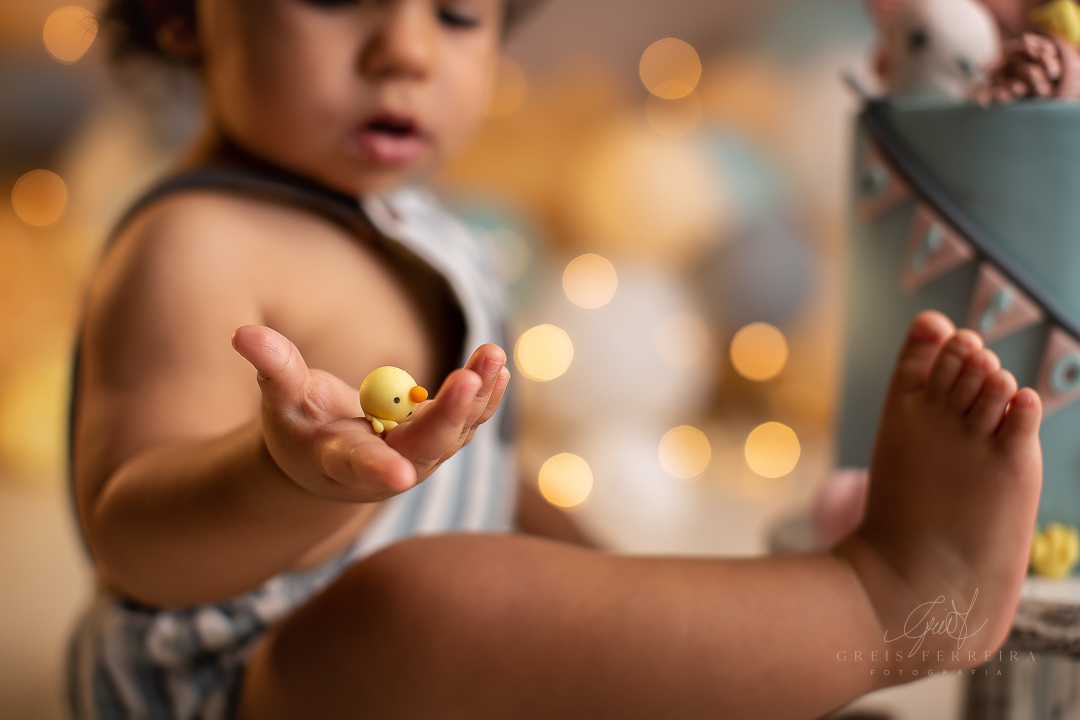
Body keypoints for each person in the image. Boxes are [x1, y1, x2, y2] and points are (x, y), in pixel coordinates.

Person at [67, 1, 1044, 718]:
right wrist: (281, 475)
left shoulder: (420, 224)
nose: (404, 51)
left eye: (457, 15)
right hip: (240, 686)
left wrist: (620, 626)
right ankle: (889, 602)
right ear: (183, 15)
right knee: (427, 604)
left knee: (534, 595)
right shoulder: (194, 242)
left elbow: (488, 486)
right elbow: (134, 538)